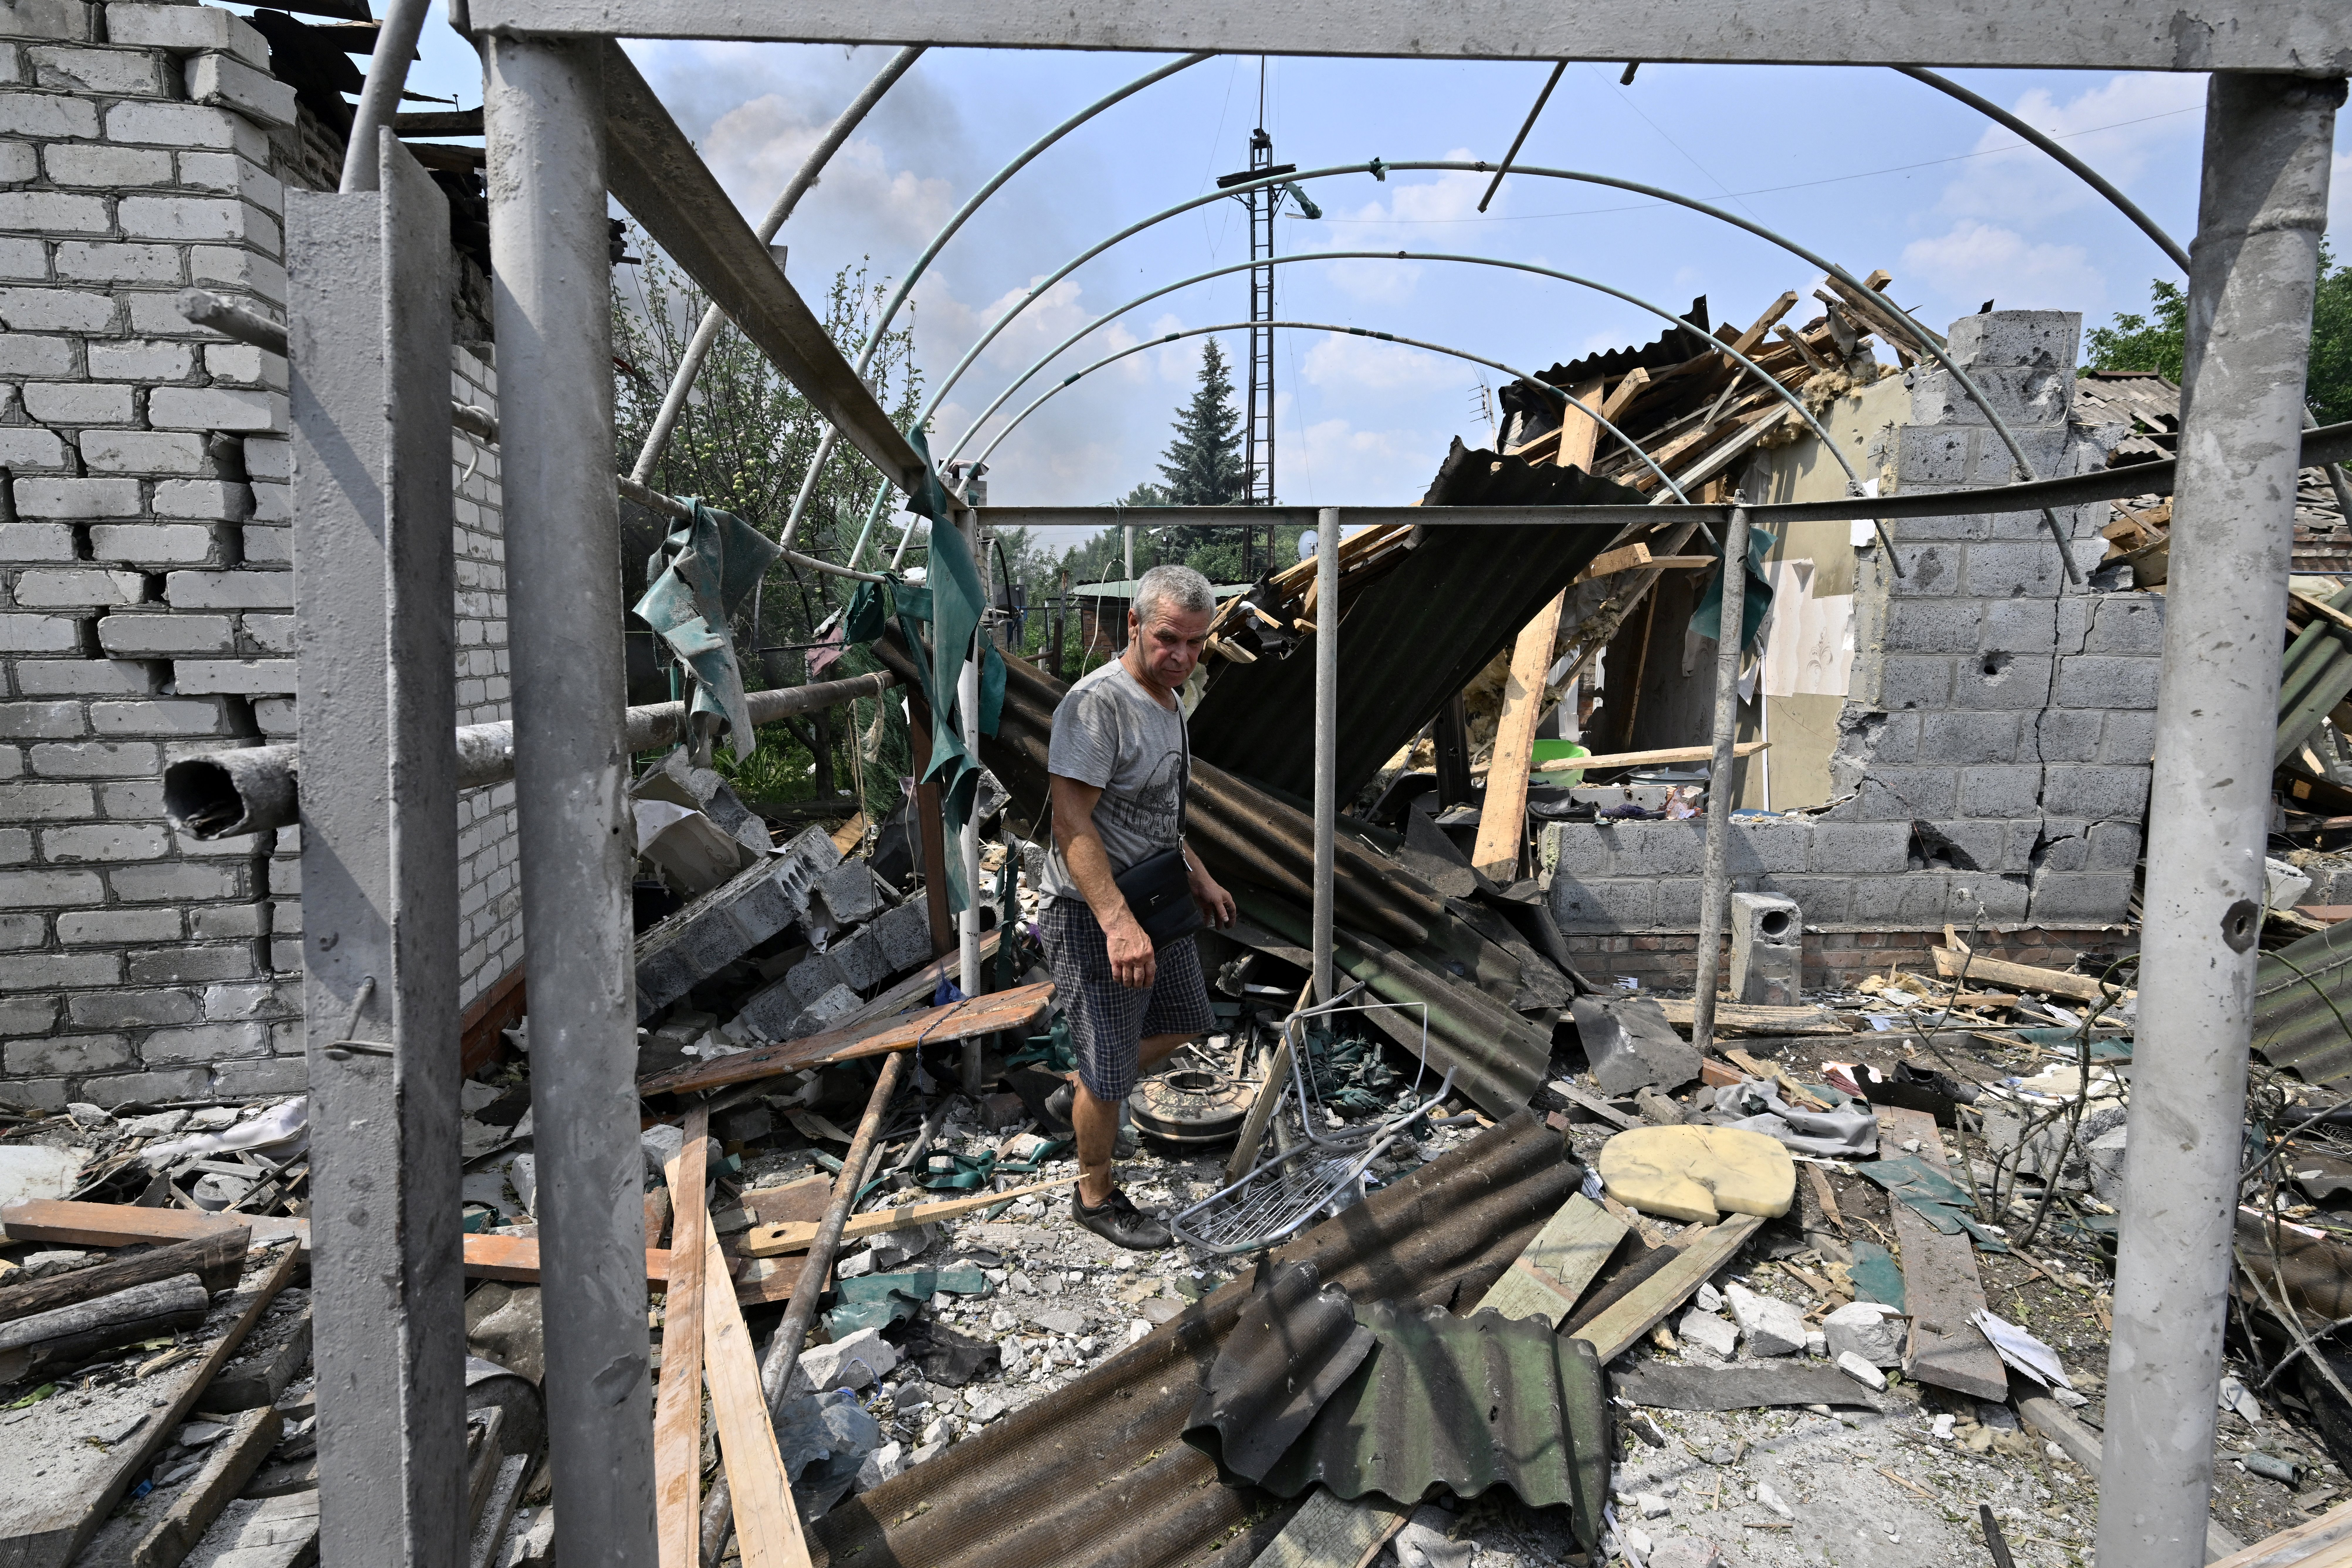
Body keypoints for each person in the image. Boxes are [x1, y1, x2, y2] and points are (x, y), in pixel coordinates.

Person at [1039, 563, 1236, 1249]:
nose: (1181, 656)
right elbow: (1071, 825)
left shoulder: (1170, 702)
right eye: (1166, 639)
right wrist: (1117, 925)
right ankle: (1093, 1196)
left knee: (1185, 1019)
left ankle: (1082, 1091)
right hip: (1095, 914)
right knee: (1112, 1067)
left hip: (1155, 899)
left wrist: (1198, 875)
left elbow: (1158, 816)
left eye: (1195, 642)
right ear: (1132, 624)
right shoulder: (1099, 704)